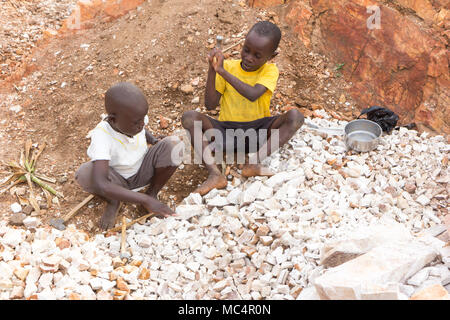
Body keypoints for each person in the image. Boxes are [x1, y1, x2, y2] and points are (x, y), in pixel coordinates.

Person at [181, 21, 304, 196]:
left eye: (257, 55)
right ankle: (215, 175)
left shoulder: (270, 71)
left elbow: (253, 94)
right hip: (226, 134)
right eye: (246, 50)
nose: (249, 58)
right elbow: (210, 105)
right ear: (243, 44)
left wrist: (222, 72)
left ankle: (253, 162)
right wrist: (212, 70)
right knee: (189, 117)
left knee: (295, 116)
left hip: (259, 133)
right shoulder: (229, 67)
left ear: (272, 56)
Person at [75, 82, 183, 230]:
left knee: (174, 144)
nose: (141, 124)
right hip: (117, 182)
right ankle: (114, 200)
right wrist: (143, 200)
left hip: (144, 171)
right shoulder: (102, 135)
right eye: (136, 122)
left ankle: (152, 192)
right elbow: (102, 183)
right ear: (113, 120)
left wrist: (154, 141)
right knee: (85, 173)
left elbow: (143, 129)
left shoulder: (135, 118)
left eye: (143, 119)